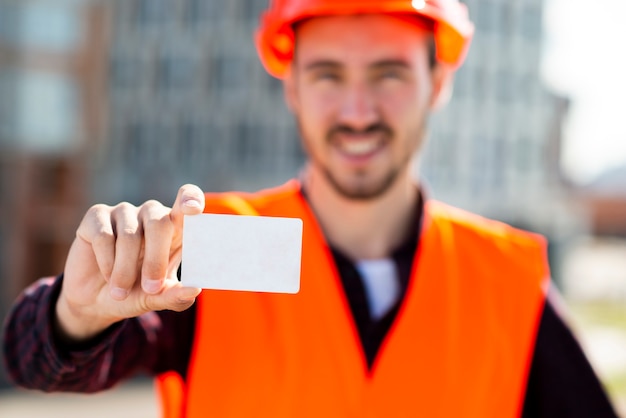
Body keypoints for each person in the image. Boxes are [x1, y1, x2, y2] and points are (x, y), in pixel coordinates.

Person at [1, 0, 619, 417]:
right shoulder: (213, 247)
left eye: (388, 74)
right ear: (291, 85)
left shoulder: (502, 277)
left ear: (438, 82)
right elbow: (38, 363)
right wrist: (74, 317)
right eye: (328, 74)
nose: (357, 110)